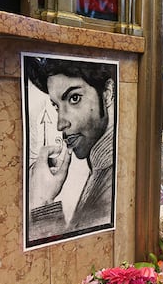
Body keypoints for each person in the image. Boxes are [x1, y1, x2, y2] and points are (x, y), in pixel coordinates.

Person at [25, 57, 116, 241]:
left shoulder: (110, 175)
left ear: (107, 93)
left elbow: (72, 253)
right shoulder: (101, 166)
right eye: (56, 106)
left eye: (74, 98)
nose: (61, 123)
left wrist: (41, 201)